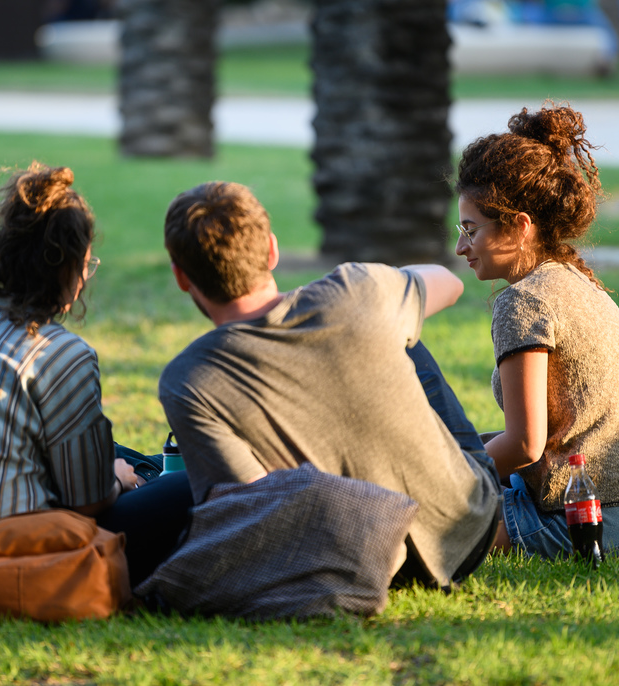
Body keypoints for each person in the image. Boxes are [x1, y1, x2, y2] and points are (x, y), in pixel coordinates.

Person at [158, 181, 502, 589]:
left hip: (359, 560)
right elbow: (449, 283)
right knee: (397, 326)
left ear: (181, 276)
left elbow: (250, 508)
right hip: (468, 526)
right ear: (271, 250)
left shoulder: (188, 379)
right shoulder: (354, 290)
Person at [0, 163, 193, 598]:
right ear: (68, 267)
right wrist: (119, 480)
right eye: (88, 262)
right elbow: (88, 502)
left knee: (108, 451)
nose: (88, 273)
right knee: (192, 485)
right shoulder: (61, 354)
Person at [452, 103, 619, 557]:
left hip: (582, 520)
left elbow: (526, 445)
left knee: (418, 516)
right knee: (465, 444)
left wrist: (440, 473)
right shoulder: (571, 277)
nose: (459, 246)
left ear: (519, 227)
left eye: (471, 229)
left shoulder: (523, 301)